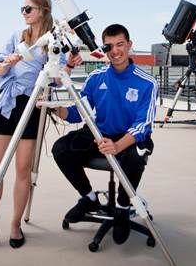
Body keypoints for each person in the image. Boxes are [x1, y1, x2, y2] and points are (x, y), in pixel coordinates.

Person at [0, 0, 81, 257]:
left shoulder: (54, 41)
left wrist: (68, 68)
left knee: (22, 170)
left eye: (28, 8)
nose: (24, 13)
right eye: (22, 9)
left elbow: (55, 78)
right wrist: (6, 64)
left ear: (42, 10)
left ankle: (15, 224)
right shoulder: (16, 37)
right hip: (7, 103)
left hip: (32, 105)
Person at [52, 24, 157, 245]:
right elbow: (78, 113)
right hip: (99, 133)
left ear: (129, 45)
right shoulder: (96, 78)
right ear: (104, 48)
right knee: (61, 149)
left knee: (135, 155)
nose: (115, 51)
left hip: (129, 137)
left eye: (120, 44)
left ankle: (121, 207)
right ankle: (89, 198)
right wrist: (57, 109)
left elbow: (143, 125)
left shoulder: (147, 82)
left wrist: (118, 146)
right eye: (109, 46)